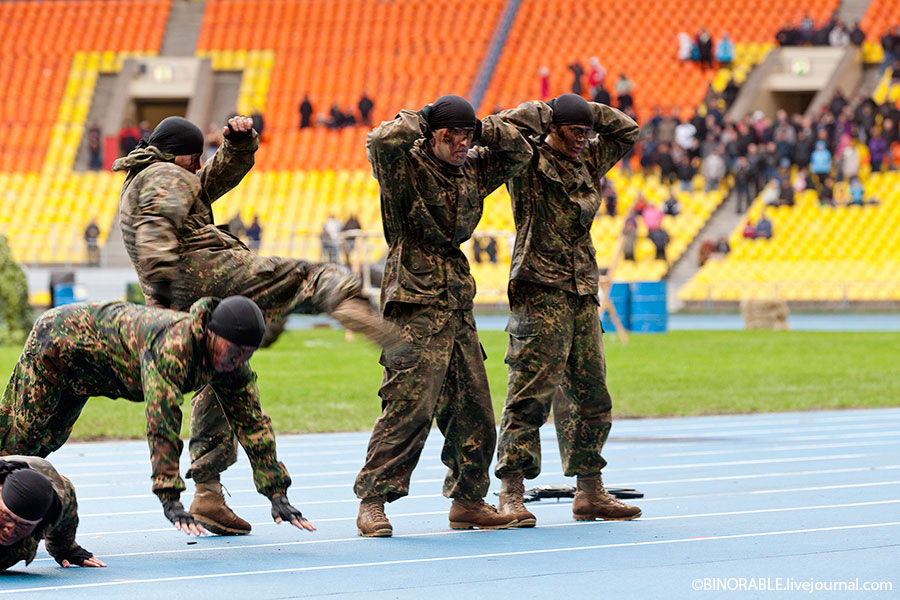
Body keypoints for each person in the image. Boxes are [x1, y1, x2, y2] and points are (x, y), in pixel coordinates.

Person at [113, 115, 397, 535]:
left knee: (219, 374)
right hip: (202, 272)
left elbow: (210, 180)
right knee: (309, 277)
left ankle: (207, 492)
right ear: (179, 154)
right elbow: (157, 222)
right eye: (196, 158)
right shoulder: (164, 173)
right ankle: (346, 302)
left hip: (182, 292)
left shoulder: (158, 173)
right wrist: (162, 282)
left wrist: (238, 145)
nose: (198, 167)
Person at [354, 94, 533, 537]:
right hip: (413, 301)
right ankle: (373, 502)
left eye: (468, 137)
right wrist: (425, 118)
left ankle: (469, 500)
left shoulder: (472, 165)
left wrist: (482, 128)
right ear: (433, 134)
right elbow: (379, 140)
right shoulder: (405, 167)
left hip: (455, 300)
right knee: (408, 406)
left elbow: (519, 151)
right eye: (453, 136)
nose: (462, 145)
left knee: (474, 409)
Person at [0, 296, 315, 538]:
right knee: (21, 440)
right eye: (233, 350)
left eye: (247, 354)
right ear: (212, 334)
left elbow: (253, 424)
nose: (237, 360)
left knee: (48, 442)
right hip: (56, 343)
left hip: (89, 373)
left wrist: (277, 493)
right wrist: (170, 497)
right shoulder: (175, 347)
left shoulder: (232, 366)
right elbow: (162, 421)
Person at [494, 93, 641, 527]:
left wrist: (585, 112)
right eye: (574, 132)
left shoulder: (587, 159)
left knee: (591, 393)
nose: (583, 139)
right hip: (540, 289)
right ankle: (511, 491)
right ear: (554, 129)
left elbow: (628, 129)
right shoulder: (526, 159)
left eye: (587, 133)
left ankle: (590, 490)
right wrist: (545, 111)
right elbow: (498, 127)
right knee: (530, 393)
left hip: (581, 290)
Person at [0, 456, 105, 571]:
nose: (9, 531)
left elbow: (64, 518)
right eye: (7, 516)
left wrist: (65, 548)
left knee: (11, 554)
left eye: (24, 525)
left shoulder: (59, 503)